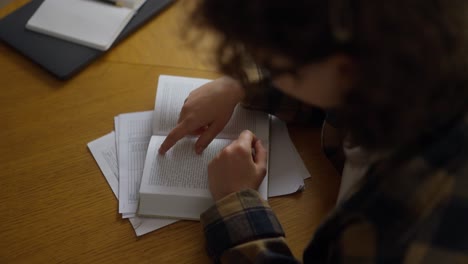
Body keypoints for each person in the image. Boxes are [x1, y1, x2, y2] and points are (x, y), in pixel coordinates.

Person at [159, 0, 468, 262]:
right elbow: (325, 88)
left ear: (345, 69)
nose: (266, 69)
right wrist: (240, 85)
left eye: (272, 64)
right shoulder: (402, 62)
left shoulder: (417, 223)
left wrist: (238, 205)